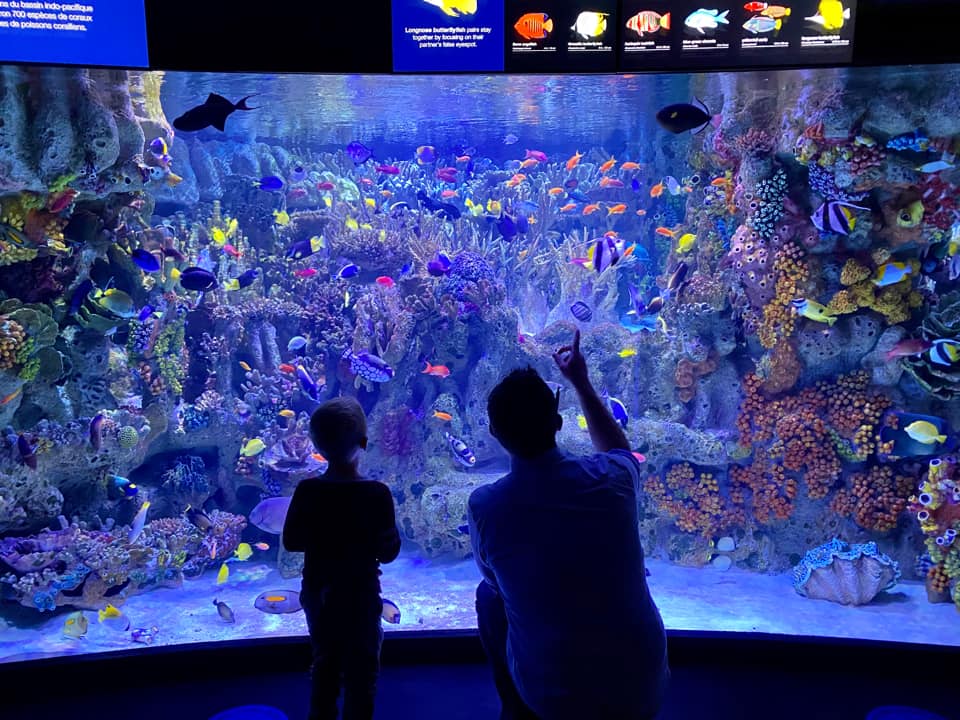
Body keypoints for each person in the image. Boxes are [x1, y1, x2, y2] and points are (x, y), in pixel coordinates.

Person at [468, 329, 669, 720]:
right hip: (641, 687)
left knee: (489, 596)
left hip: (553, 699)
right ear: (559, 423)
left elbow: (495, 582)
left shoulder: (487, 506)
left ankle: (515, 708)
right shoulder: (612, 478)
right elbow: (620, 450)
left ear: (494, 434)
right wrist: (579, 381)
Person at [283, 397, 401, 720]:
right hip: (361, 597)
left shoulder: (307, 491)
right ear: (364, 442)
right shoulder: (378, 494)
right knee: (363, 676)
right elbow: (389, 553)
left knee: (324, 665)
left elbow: (291, 541)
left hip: (319, 595)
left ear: (318, 447)